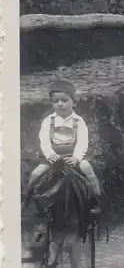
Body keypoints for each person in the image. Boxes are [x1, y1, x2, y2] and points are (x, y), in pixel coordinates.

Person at [26, 80, 102, 215]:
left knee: (87, 169)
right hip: (53, 156)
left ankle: (96, 200)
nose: (60, 104)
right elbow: (44, 140)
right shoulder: (49, 121)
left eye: (64, 100)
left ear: (73, 101)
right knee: (36, 173)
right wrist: (49, 154)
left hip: (72, 155)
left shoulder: (78, 121)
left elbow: (82, 142)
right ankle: (27, 199)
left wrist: (77, 157)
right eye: (55, 101)